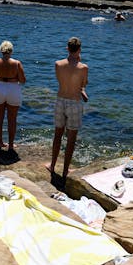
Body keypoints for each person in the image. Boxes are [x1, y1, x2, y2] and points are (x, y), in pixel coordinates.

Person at [49, 37, 89, 186]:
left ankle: (53, 166)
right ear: (79, 50)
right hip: (74, 103)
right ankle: (65, 170)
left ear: (67, 48)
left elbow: (61, 80)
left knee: (57, 135)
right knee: (71, 139)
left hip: (60, 100)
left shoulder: (58, 64)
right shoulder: (83, 67)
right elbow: (83, 84)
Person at [0, 40, 26, 150]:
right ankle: (10, 144)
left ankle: (0, 142)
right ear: (11, 51)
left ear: (1, 50)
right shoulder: (17, 63)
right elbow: (23, 80)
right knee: (12, 119)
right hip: (13, 89)